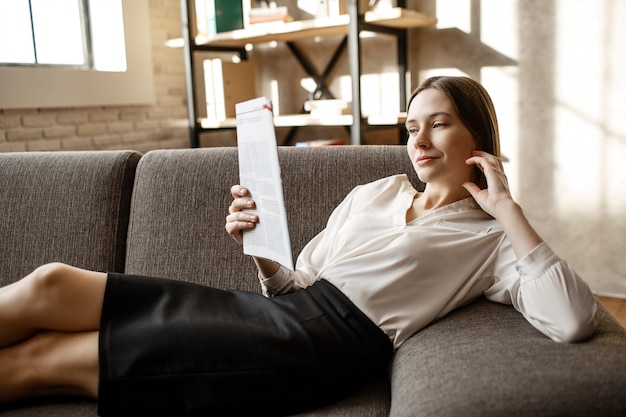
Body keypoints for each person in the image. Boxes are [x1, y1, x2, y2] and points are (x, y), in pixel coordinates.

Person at [0, 76, 597, 416]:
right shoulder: (377, 191)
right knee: (52, 280)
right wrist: (258, 249)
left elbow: (571, 319)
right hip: (273, 314)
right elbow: (296, 285)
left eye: (439, 123)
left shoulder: (491, 239)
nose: (420, 139)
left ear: (477, 134)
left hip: (316, 350)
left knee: (45, 362)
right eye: (412, 126)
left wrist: (509, 211)